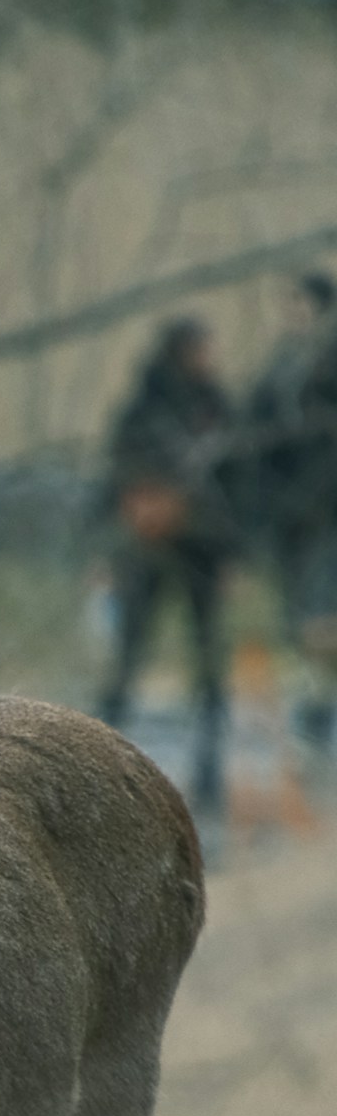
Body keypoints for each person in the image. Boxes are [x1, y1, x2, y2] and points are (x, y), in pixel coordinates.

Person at [95, 316, 236, 814]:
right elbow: (115, 480)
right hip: (143, 548)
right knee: (128, 658)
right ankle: (100, 771)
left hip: (201, 549)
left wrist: (227, 554)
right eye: (200, 349)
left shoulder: (215, 406)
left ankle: (211, 773)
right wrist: (120, 533)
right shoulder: (143, 410)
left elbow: (234, 485)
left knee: (210, 665)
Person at [243, 272, 337, 758]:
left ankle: (320, 710)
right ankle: (315, 706)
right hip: (288, 513)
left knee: (322, 618)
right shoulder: (281, 362)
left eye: (301, 302)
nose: (293, 312)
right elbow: (255, 427)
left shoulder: (327, 359)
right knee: (298, 617)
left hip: (328, 509)